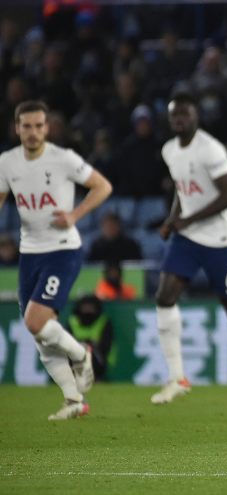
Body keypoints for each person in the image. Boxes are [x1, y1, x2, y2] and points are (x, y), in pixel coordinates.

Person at [154, 92, 227, 407]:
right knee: (164, 297)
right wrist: (172, 219)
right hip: (187, 238)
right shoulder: (169, 150)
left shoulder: (211, 149)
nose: (180, 120)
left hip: (219, 239)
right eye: (175, 115)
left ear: (196, 117)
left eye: (185, 114)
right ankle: (177, 378)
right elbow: (182, 189)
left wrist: (188, 218)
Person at [0, 100, 112, 419]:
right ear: (17, 128)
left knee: (35, 321)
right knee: (40, 333)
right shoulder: (7, 163)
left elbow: (102, 186)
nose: (33, 132)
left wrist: (75, 214)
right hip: (29, 253)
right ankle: (73, 400)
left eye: (38, 126)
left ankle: (82, 354)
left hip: (62, 249)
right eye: (26, 126)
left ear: (47, 128)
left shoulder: (63, 159)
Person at [67, 294, 114, 379]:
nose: (88, 309)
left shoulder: (103, 321)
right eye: (85, 306)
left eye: (90, 306)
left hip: (96, 359)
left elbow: (106, 345)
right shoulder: (72, 322)